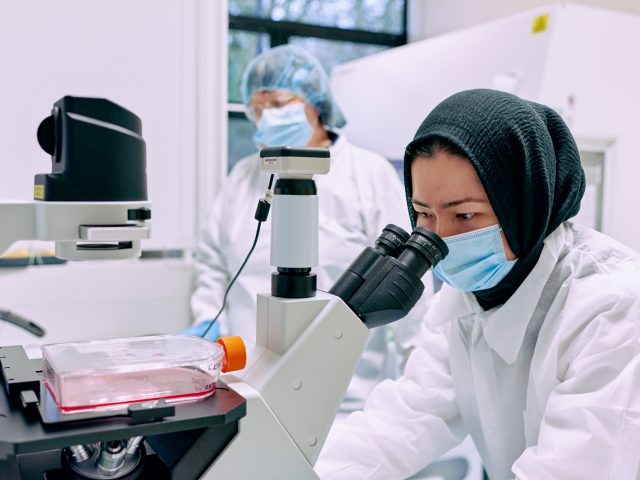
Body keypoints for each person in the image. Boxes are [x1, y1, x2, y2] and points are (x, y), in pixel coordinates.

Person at [316, 89, 640, 479]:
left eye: (465, 215)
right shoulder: (465, 297)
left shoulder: (612, 308)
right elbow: (407, 417)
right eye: (423, 214)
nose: (440, 238)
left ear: (524, 206)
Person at [187, 45, 431, 417]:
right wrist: (208, 319)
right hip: (244, 386)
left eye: (279, 104)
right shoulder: (244, 176)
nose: (266, 117)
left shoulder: (367, 174)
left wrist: (422, 376)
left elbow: (407, 278)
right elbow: (212, 262)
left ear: (316, 104)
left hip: (344, 398)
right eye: (257, 108)